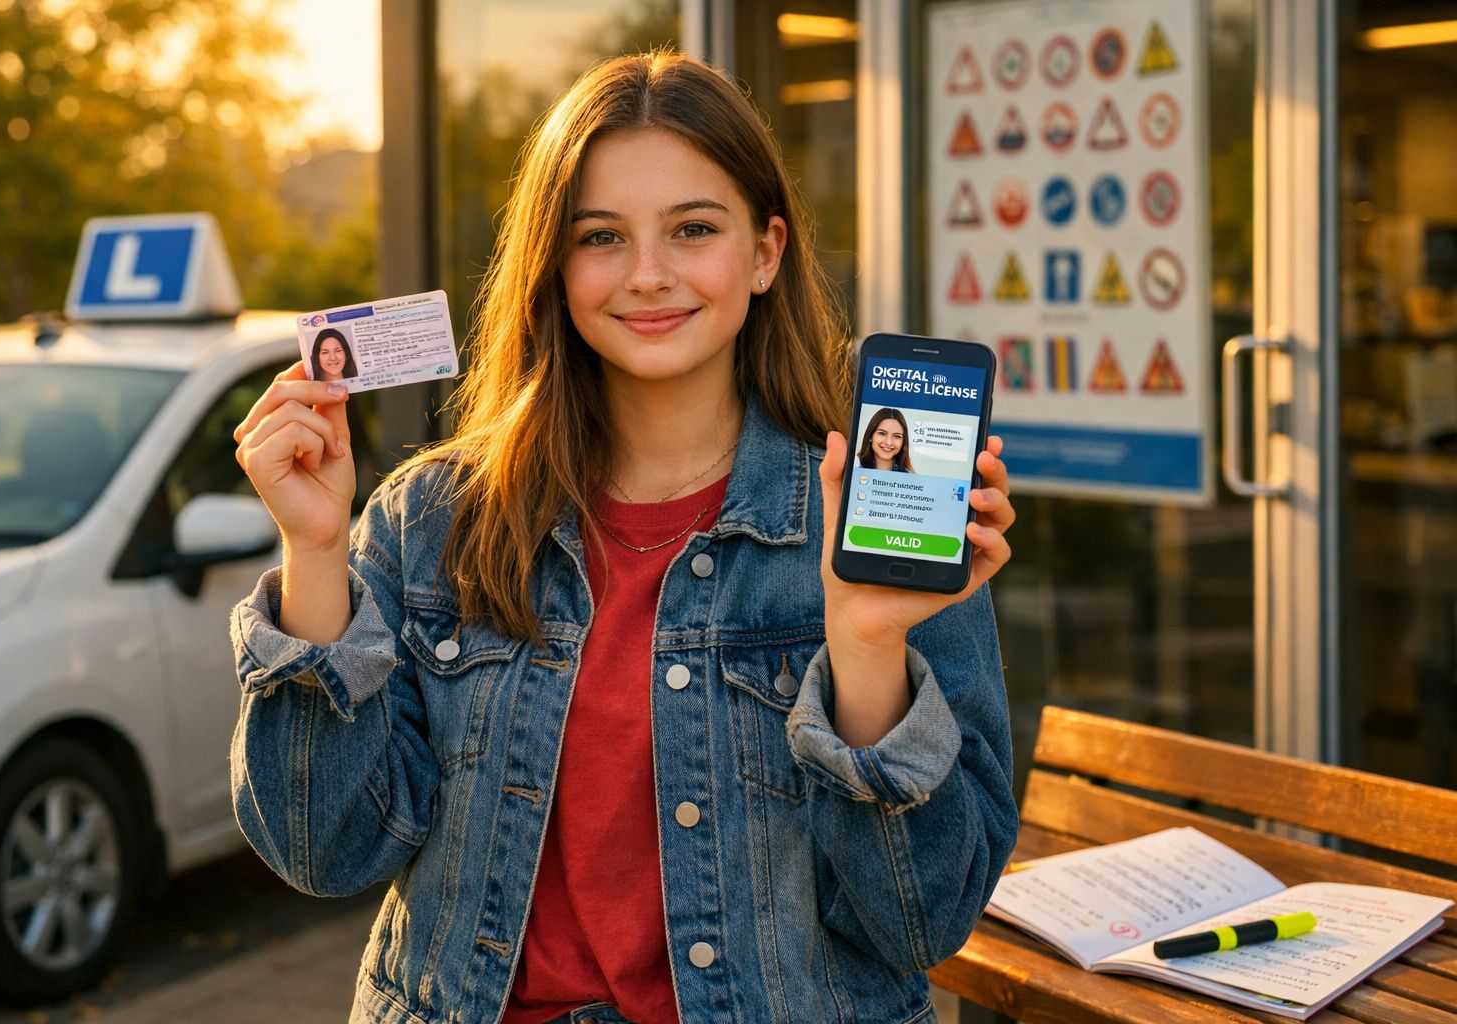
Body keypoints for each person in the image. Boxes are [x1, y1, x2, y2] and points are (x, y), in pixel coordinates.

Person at [229, 51, 1018, 1024]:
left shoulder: (875, 518)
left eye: (693, 228)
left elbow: (921, 922)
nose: (648, 275)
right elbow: (321, 848)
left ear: (766, 252)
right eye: (602, 236)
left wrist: (864, 650)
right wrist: (313, 553)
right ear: (556, 266)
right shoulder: (429, 520)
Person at [856, 406, 915, 472]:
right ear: (870, 436)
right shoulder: (853, 467)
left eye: (897, 436)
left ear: (903, 442)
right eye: (882, 433)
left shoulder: (909, 477)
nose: (889, 442)